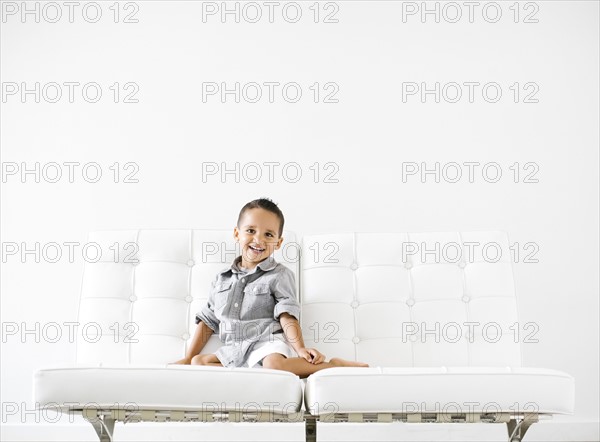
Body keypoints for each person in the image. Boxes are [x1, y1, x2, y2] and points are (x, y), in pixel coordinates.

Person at [172, 197, 368, 378]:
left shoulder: (279, 275)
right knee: (199, 362)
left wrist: (300, 349)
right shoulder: (221, 279)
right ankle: (249, 373)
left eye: (268, 234)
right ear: (236, 233)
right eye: (250, 231)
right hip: (235, 348)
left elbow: (287, 313)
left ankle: (334, 366)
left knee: (274, 365)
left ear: (278, 242)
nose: (259, 240)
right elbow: (208, 320)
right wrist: (189, 358)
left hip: (266, 343)